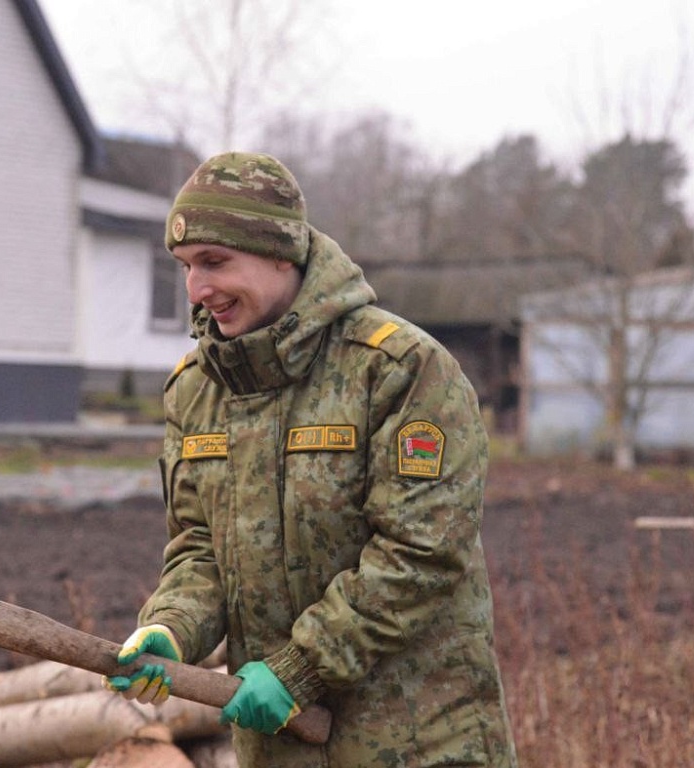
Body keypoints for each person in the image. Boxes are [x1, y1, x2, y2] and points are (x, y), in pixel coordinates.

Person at [105, 152, 518, 768]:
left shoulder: (399, 370)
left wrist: (301, 668)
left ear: (281, 252)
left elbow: (421, 554)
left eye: (214, 261)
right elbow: (201, 547)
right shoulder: (196, 389)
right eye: (186, 266)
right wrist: (171, 627)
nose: (196, 289)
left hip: (417, 745)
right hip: (278, 749)